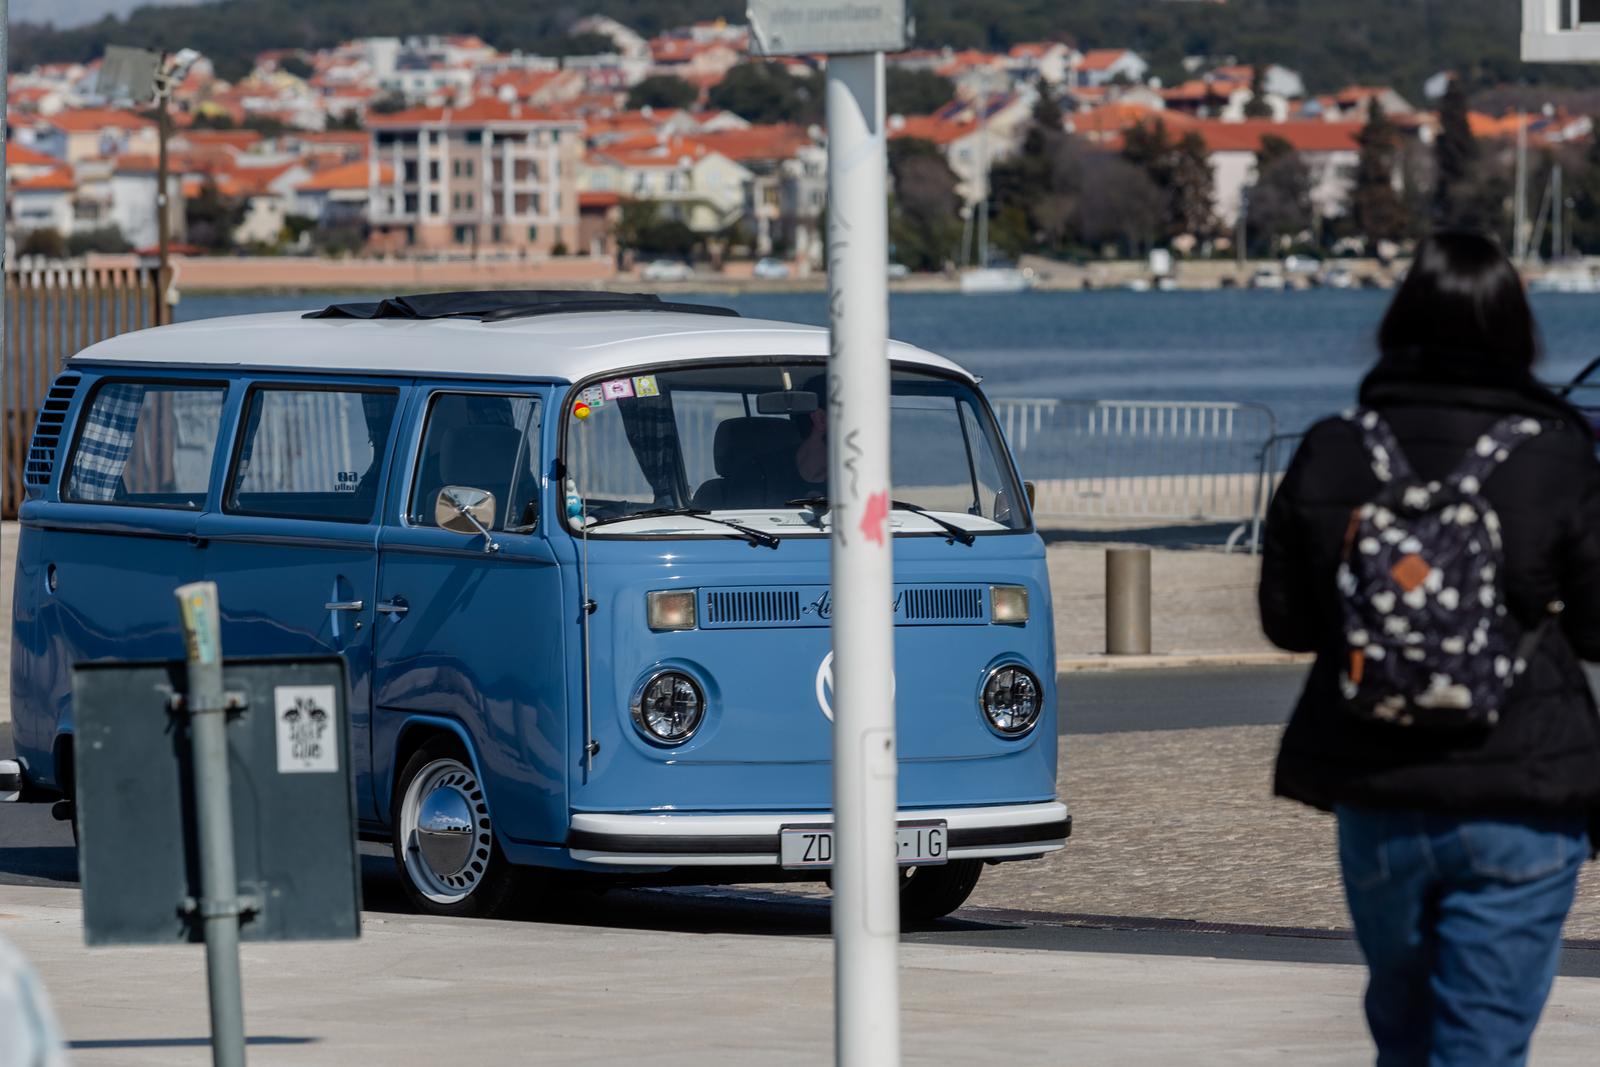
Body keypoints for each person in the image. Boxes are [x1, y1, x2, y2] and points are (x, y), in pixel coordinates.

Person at [1259, 232, 1600, 1065]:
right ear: (1517, 330)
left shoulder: (1337, 447)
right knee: (1479, 1045)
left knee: (1405, 1039)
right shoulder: (1554, 452)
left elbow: (1287, 622)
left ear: (1398, 321)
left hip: (1379, 785)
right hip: (1522, 787)